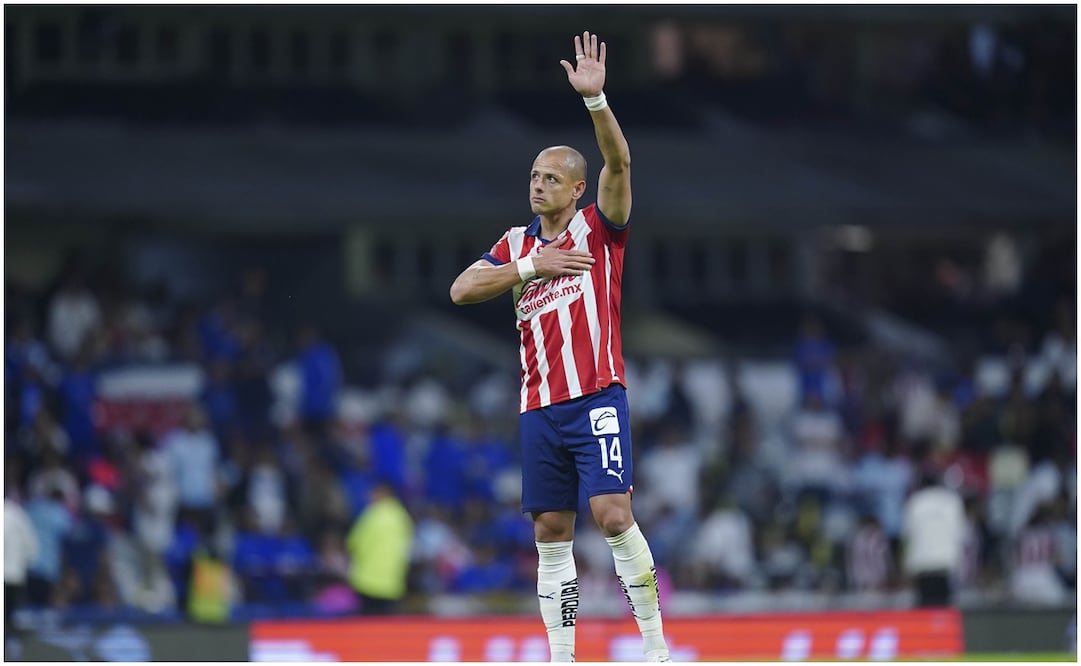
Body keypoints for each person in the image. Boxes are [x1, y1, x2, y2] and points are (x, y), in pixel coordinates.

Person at [450, 31, 670, 663]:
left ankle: (656, 648)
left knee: (613, 514)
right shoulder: (516, 245)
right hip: (538, 406)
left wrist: (596, 101)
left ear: (577, 188)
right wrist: (529, 268)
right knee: (550, 531)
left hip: (596, 394)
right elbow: (461, 289)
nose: (539, 185)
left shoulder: (599, 229)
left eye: (552, 178)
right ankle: (562, 655)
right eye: (534, 176)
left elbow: (619, 166)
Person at [344, 481, 414, 615]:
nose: (369, 496)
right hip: (393, 581)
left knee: (368, 623)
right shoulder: (402, 517)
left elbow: (354, 543)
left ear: (382, 493)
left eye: (373, 493)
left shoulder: (373, 514)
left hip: (368, 580)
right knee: (387, 623)